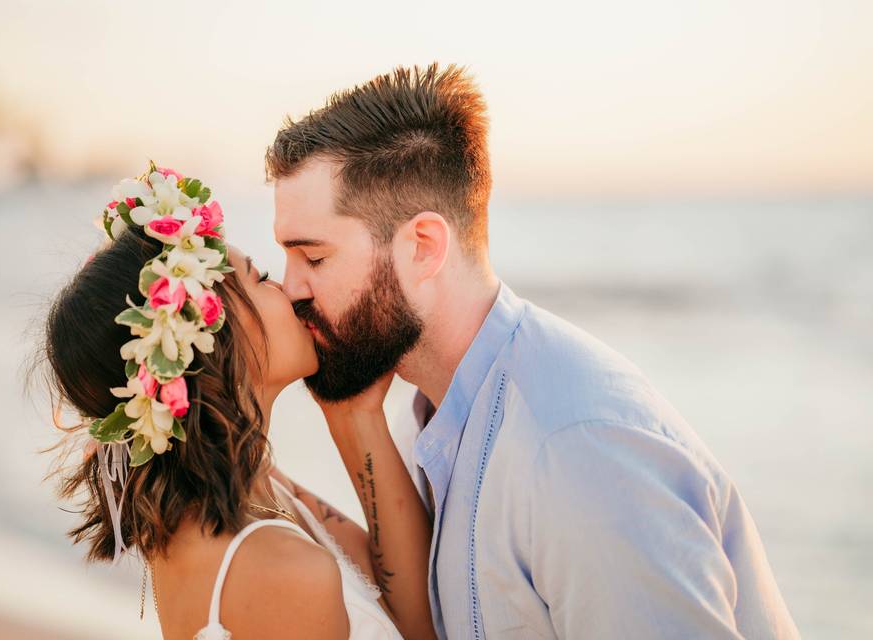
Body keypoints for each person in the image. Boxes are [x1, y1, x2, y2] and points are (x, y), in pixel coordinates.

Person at [266, 64, 801, 638]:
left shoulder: (576, 449)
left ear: (423, 248)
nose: (290, 287)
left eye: (314, 258)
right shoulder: (427, 419)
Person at [42, 166, 435, 639]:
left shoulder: (242, 490)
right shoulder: (281, 569)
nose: (288, 291)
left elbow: (404, 596)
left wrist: (354, 414)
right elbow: (421, 629)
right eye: (261, 277)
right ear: (211, 337)